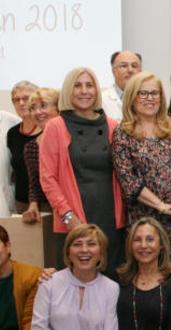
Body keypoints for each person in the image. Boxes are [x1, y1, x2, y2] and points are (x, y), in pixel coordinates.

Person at [40, 67, 126, 273]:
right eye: (78, 86)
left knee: (111, 278)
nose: (84, 91)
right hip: (73, 217)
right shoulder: (55, 126)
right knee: (75, 281)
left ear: (97, 91)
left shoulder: (113, 126)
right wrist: (68, 216)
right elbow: (47, 178)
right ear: (69, 91)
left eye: (89, 85)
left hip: (110, 216)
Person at [112, 71, 171, 269]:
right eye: (143, 93)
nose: (150, 98)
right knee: (148, 274)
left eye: (154, 93)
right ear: (132, 97)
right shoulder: (123, 133)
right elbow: (129, 181)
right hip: (145, 220)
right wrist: (162, 207)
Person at [22, 88, 60, 224]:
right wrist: (33, 205)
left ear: (58, 108)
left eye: (43, 106)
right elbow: (35, 184)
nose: (38, 112)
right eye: (33, 108)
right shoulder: (31, 147)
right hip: (50, 210)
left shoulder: (72, 139)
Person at [6, 81, 40, 216]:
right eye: (16, 100)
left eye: (25, 98)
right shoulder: (12, 133)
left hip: (47, 203)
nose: (21, 103)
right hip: (21, 203)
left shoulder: (47, 130)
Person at [102, 50, 143, 120]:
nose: (130, 70)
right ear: (113, 71)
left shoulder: (148, 99)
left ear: (140, 71)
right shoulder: (102, 100)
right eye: (124, 66)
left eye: (134, 66)